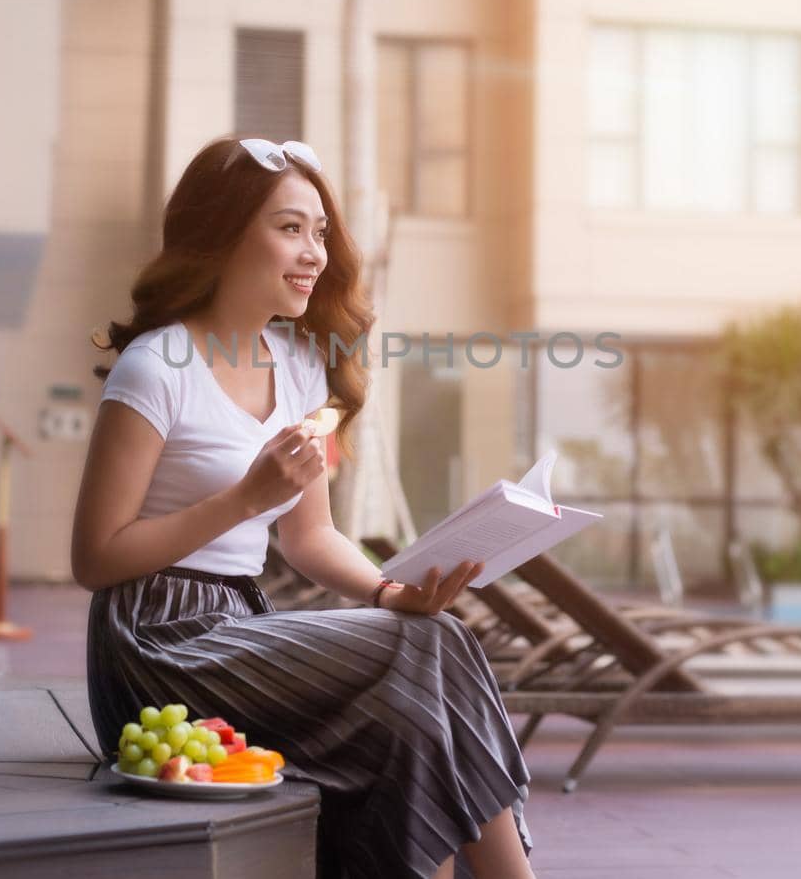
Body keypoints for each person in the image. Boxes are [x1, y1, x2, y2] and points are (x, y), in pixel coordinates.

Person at [72, 136, 535, 879]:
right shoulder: (155, 366)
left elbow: (311, 537)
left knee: (427, 670)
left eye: (319, 232)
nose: (313, 252)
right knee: (431, 656)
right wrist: (244, 499)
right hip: (154, 643)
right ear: (221, 235)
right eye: (289, 228)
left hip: (242, 627)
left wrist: (391, 593)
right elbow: (94, 559)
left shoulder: (297, 366)